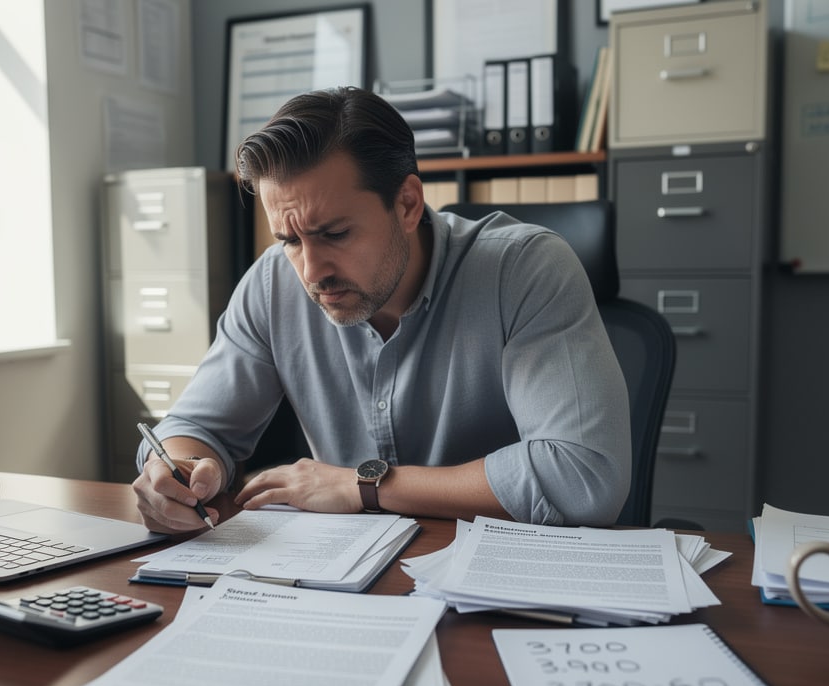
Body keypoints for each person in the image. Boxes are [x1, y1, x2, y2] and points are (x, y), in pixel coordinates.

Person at [133, 86, 630, 534]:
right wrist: (178, 471)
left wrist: (362, 486)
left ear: (408, 204)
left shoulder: (525, 269)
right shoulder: (271, 282)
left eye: (335, 234)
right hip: (346, 583)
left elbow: (583, 477)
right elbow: (196, 429)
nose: (311, 271)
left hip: (503, 583)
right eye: (289, 240)